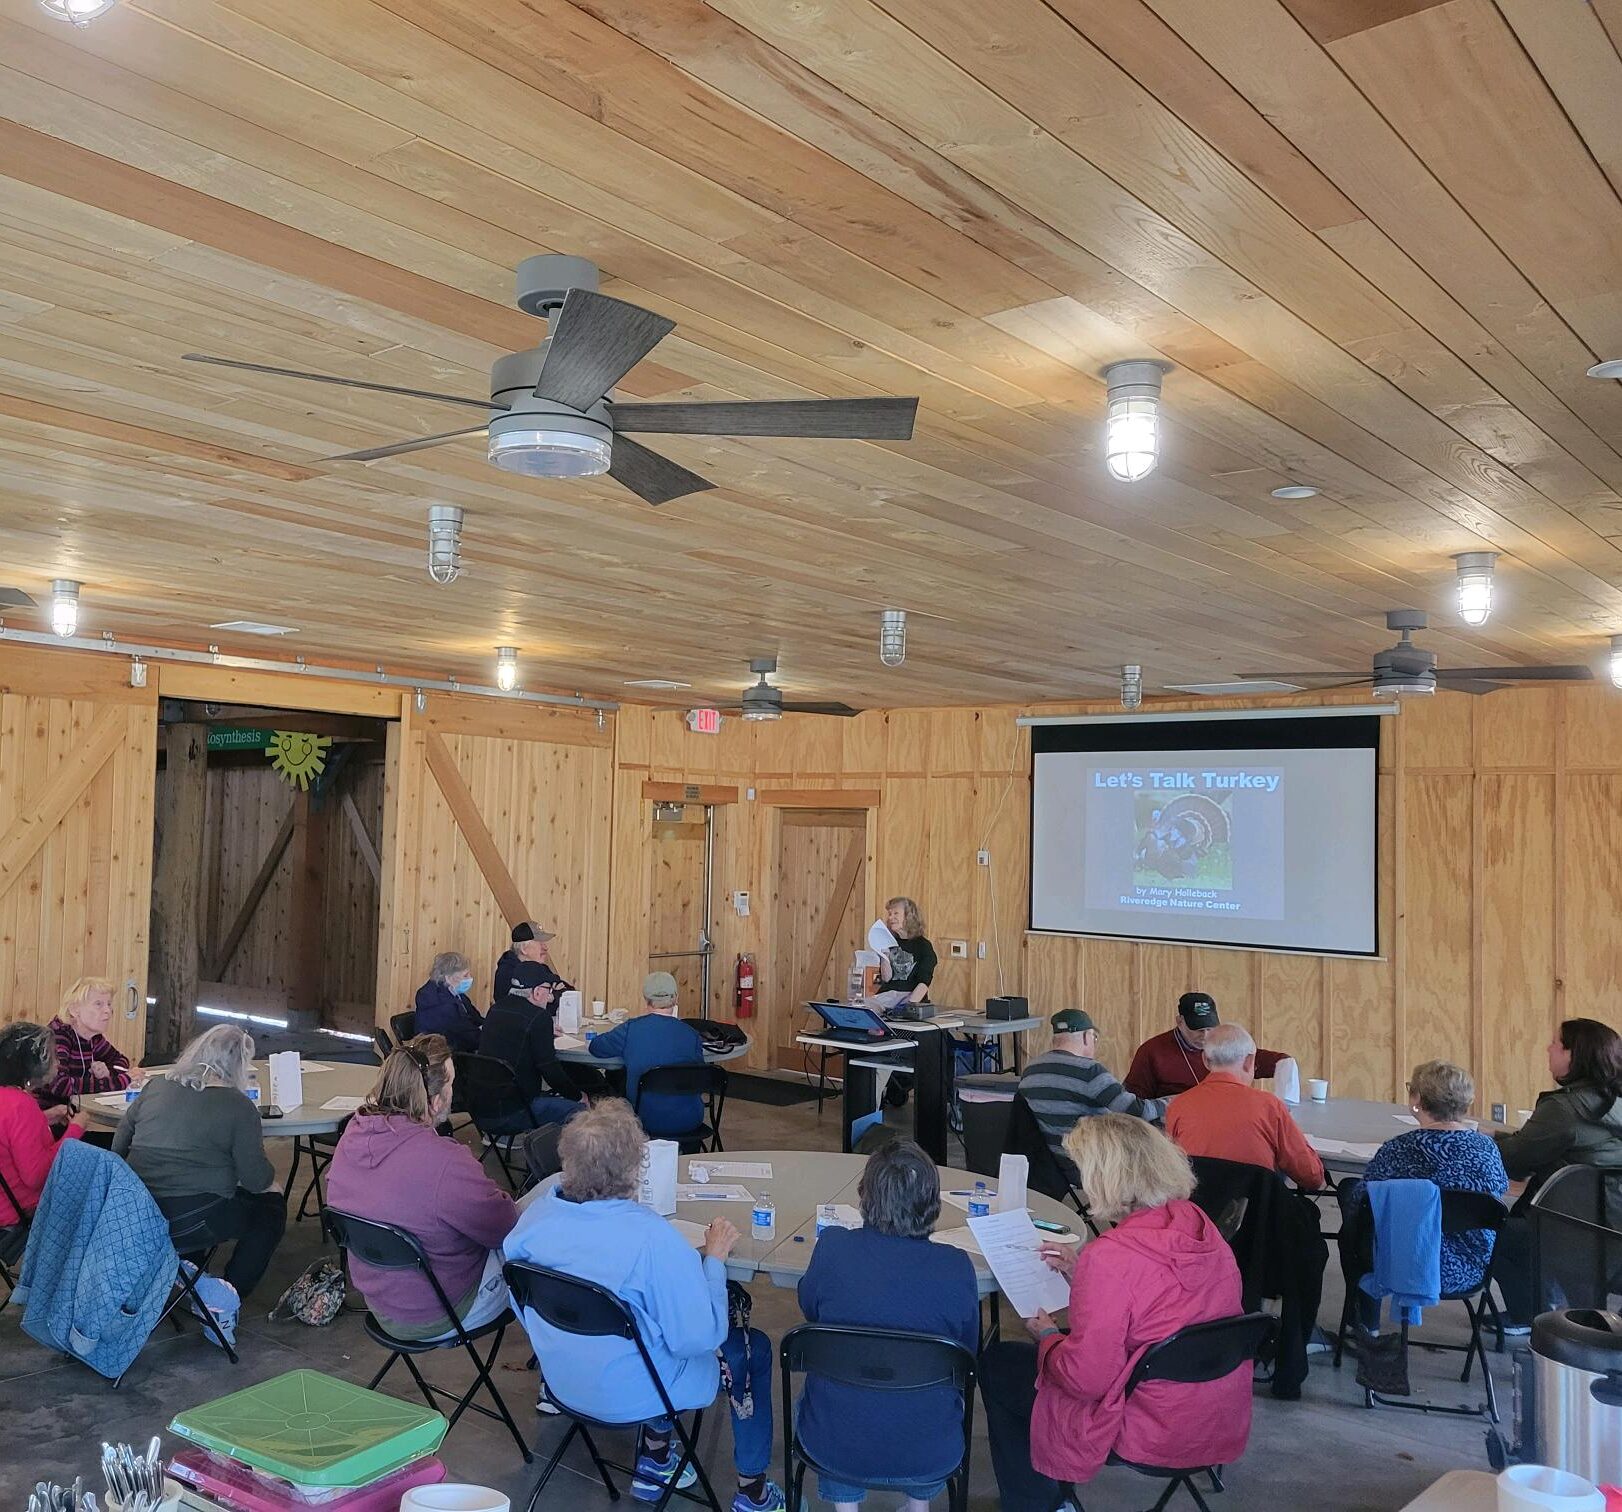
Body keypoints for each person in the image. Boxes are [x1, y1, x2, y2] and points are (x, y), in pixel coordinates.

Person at [505, 1101, 785, 1512]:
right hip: (640, 1387)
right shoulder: (652, 1240)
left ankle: (656, 1458)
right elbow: (701, 1337)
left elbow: (523, 1307)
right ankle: (753, 1492)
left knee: (648, 1323)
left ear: (568, 1162)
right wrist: (714, 1262)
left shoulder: (533, 1221)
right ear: (635, 1168)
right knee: (751, 1347)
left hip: (564, 1381)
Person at [979, 1114, 1249, 1512]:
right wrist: (1080, 1271)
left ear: (1107, 1178)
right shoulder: (1198, 1225)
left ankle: (1039, 1504)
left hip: (1147, 1424)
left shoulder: (1112, 1256)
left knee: (1000, 1364)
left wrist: (1048, 1337)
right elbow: (1157, 1300)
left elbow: (1086, 1379)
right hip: (1214, 1413)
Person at [796, 1138, 979, 1511]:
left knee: (836, 1390)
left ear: (865, 1197)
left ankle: (845, 1506)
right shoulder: (957, 1267)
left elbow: (810, 1309)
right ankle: (918, 1504)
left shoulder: (832, 1248)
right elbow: (966, 1357)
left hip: (834, 1443)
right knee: (931, 1394)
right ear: (932, 1202)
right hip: (929, 1450)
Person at [328, 1034, 517, 1340]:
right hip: (439, 1312)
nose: (454, 1091)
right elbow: (506, 1230)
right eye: (451, 1083)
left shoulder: (352, 1134)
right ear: (436, 1100)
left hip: (380, 1302)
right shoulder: (445, 1162)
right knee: (539, 1244)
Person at [111, 1024, 286, 1301]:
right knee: (270, 1210)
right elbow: (255, 1178)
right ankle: (228, 1296)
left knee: (210, 1200)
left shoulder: (156, 1087)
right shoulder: (238, 1106)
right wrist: (271, 1184)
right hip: (196, 1214)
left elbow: (118, 1148)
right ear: (240, 1064)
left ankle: (188, 1270)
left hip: (138, 1210)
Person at [1338, 1061, 1507, 1333]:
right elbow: (1497, 1194)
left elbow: (1364, 1200)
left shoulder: (1399, 1149)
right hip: (1470, 1268)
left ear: (1417, 1099)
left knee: (1352, 1200)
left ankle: (1365, 1320)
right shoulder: (1487, 1149)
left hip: (1404, 1263)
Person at [1492, 1019, 1622, 1326]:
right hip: (1611, 1235)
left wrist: (1484, 1140)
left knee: (1484, 1232)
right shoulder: (1614, 1102)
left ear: (1573, 1055)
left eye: (1556, 1043)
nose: (1548, 1048)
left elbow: (1513, 1163)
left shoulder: (1564, 1110)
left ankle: (1530, 1314)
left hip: (1572, 1234)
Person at [1164, 1023, 1324, 1191]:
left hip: (1196, 1211)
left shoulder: (1178, 1106)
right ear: (1249, 1062)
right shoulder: (1269, 1106)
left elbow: (1172, 1170)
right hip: (1257, 1213)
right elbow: (1312, 1177)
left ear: (1205, 1060)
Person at [1018, 1009, 1168, 1180]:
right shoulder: (1089, 1071)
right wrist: (1173, 1103)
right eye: (1094, 1038)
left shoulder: (1031, 1070)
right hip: (1092, 1163)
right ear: (1086, 1037)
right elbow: (1137, 1110)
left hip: (1052, 1164)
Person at [589, 972, 707, 1138]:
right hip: (689, 1120)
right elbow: (700, 1078)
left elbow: (596, 1047)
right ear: (675, 998)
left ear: (646, 998)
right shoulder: (691, 1034)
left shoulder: (631, 1029)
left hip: (643, 1120)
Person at [1123, 993, 1288, 1099]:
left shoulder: (1223, 1043)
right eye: (1198, 1029)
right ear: (1179, 1021)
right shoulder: (1152, 1052)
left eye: (1210, 1028)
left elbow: (1281, 1061)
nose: (1206, 1036)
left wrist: (1287, 1074)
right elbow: (1134, 1104)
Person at [0, 1021, 85, 1224]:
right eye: (54, 1056)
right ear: (34, 1063)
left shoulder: (7, 1098)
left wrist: (44, 1117)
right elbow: (36, 1176)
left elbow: (7, 1132)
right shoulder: (21, 1104)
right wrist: (75, 1130)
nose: (58, 1063)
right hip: (19, 1214)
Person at [45, 977, 136, 1102]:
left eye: (109, 1004)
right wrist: (123, 1080)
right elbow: (60, 1085)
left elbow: (120, 1060)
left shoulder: (94, 1038)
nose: (108, 1011)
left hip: (77, 1110)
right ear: (74, 1009)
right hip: (49, 1116)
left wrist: (108, 1073)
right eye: (98, 1004)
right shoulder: (58, 1037)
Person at [491, 920, 572, 1011]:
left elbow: (570, 993)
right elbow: (521, 1008)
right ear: (524, 949)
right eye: (540, 943)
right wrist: (551, 996)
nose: (546, 948)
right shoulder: (506, 972)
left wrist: (552, 996)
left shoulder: (541, 968)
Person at [872, 896, 936, 1010]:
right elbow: (887, 978)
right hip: (887, 997)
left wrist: (907, 1007)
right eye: (890, 914)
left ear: (909, 916)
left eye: (896, 913)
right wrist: (884, 955)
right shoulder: (889, 942)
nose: (891, 917)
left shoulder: (924, 946)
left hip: (911, 998)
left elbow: (923, 983)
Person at [413, 952, 483, 1054]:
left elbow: (476, 1019)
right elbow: (469, 1036)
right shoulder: (442, 1005)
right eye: (465, 975)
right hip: (439, 1058)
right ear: (448, 978)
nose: (470, 978)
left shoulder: (457, 995)